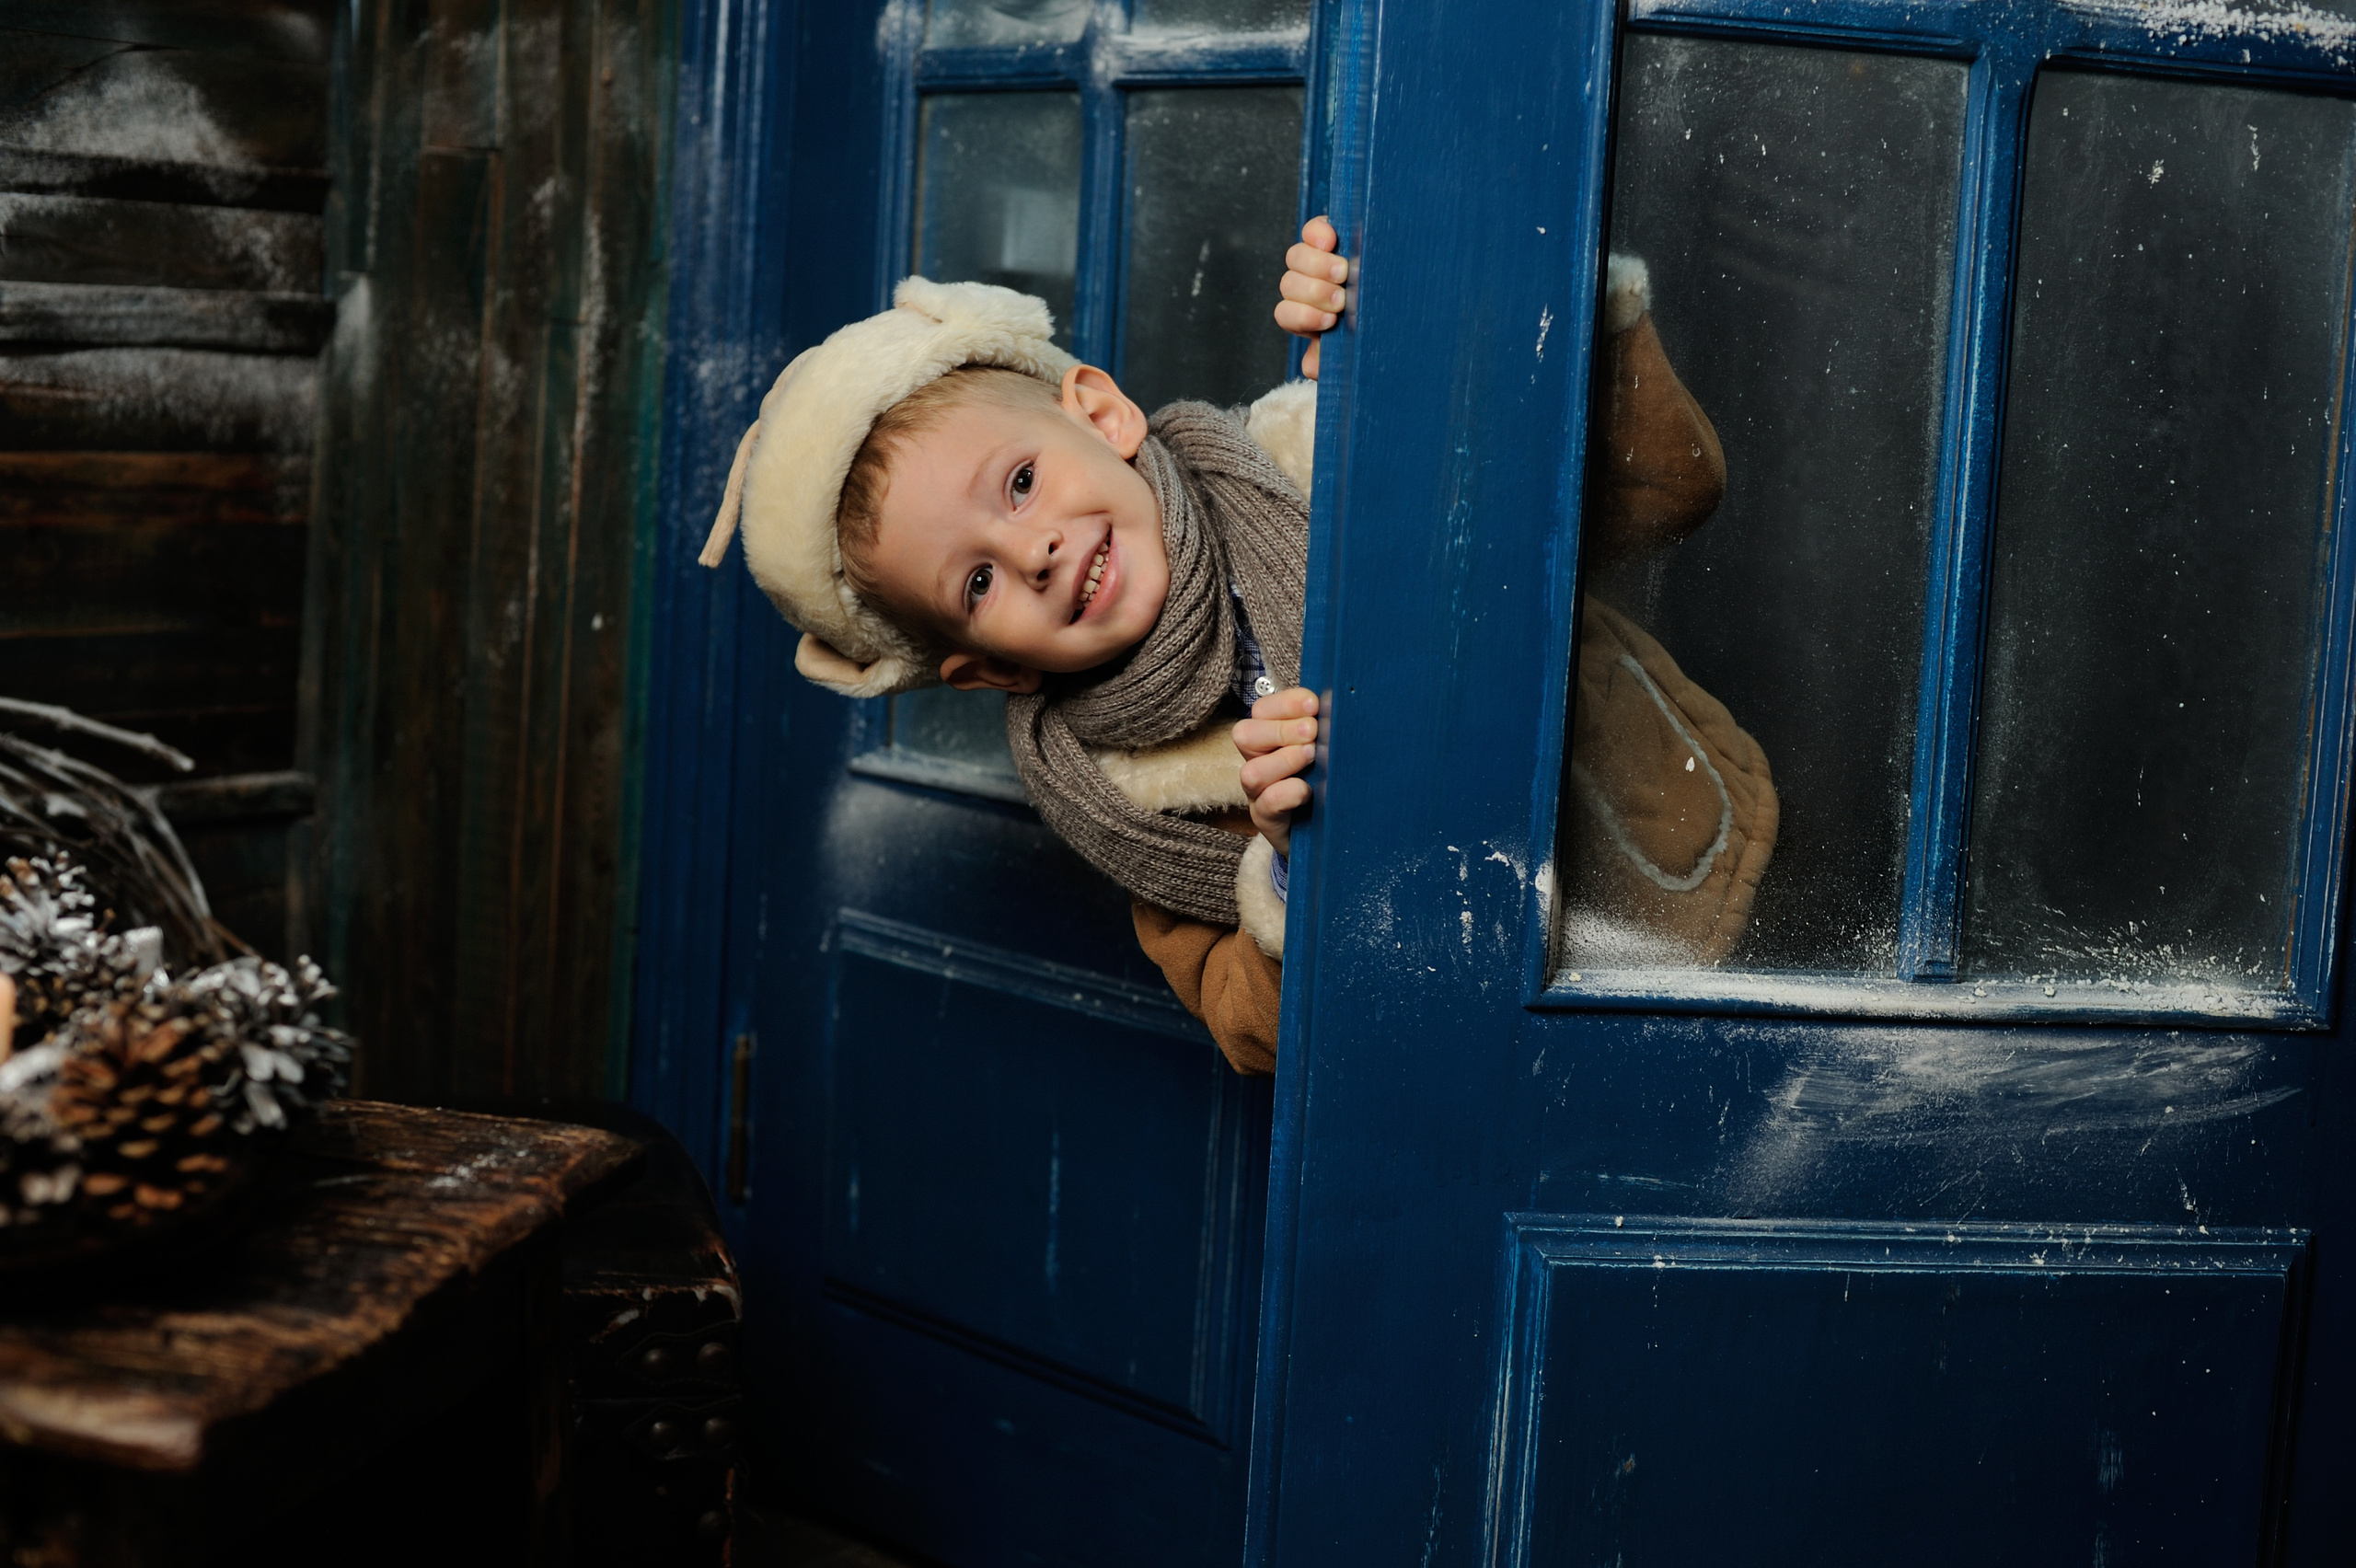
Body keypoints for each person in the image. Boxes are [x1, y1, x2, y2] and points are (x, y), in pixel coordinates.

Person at [699, 221, 1744, 1074]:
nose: (1036, 549)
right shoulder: (1118, 798)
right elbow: (1250, 1031)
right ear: (994, 669)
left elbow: (1668, 492)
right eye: (975, 582)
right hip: (1499, 1054)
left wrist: (1442, 340)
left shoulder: (1307, 454)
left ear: (1100, 413)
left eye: (1019, 484)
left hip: (1709, 890)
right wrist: (1298, 867)